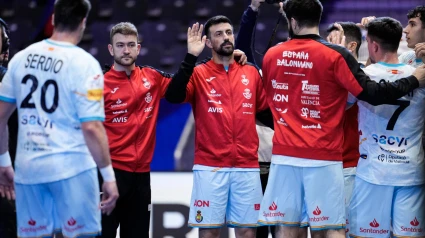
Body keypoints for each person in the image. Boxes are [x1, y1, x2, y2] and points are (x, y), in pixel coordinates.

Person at [257, 0, 425, 238]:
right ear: (319, 18)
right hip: (324, 155)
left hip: (284, 155)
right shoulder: (337, 55)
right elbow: (372, 94)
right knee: (331, 228)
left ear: (292, 22)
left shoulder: (272, 55)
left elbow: (266, 106)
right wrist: (415, 80)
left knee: (286, 225)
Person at [100, 21, 247, 237]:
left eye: (131, 45)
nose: (126, 50)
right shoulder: (98, 84)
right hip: (109, 175)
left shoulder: (151, 77)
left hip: (141, 177)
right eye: (120, 45)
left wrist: (197, 56)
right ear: (111, 49)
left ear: (138, 48)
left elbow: (177, 90)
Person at [0, 1, 119, 237]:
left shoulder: (21, 59)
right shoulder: (85, 64)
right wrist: (108, 176)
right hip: (72, 170)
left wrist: (3, 161)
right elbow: (92, 127)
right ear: (83, 22)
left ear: (53, 18)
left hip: (28, 170)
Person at [165, 16, 271, 238]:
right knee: (210, 232)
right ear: (209, 43)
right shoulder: (198, 73)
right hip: (210, 166)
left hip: (247, 166)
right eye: (219, 34)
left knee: (247, 233)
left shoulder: (250, 72)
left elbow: (265, 113)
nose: (226, 38)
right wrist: (190, 56)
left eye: (229, 32)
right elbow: (173, 96)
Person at [348, 17, 425, 238]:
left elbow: (340, 106)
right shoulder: (420, 74)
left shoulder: (364, 78)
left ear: (372, 45)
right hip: (411, 173)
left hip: (373, 173)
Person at [326, 22, 362, 238]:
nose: (326, 48)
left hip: (351, 167)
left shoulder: (366, 76)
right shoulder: (322, 74)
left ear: (351, 46)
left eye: (333, 43)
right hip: (322, 165)